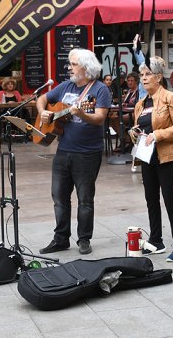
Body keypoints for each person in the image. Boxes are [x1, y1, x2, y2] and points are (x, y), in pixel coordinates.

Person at [36, 48, 112, 256]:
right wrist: (43, 112)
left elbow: (99, 118)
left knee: (85, 199)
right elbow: (42, 99)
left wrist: (81, 114)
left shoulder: (99, 90)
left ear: (86, 68)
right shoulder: (65, 86)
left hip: (87, 153)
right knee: (59, 197)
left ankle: (84, 239)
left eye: (74, 64)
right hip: (63, 150)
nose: (69, 67)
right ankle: (60, 238)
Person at [131, 56, 173, 262]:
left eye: (148, 74)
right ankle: (156, 240)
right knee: (151, 199)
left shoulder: (170, 98)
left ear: (158, 77)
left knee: (169, 199)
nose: (144, 78)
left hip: (168, 156)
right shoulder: (141, 103)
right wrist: (135, 132)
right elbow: (142, 127)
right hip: (148, 157)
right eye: (141, 75)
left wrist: (158, 135)